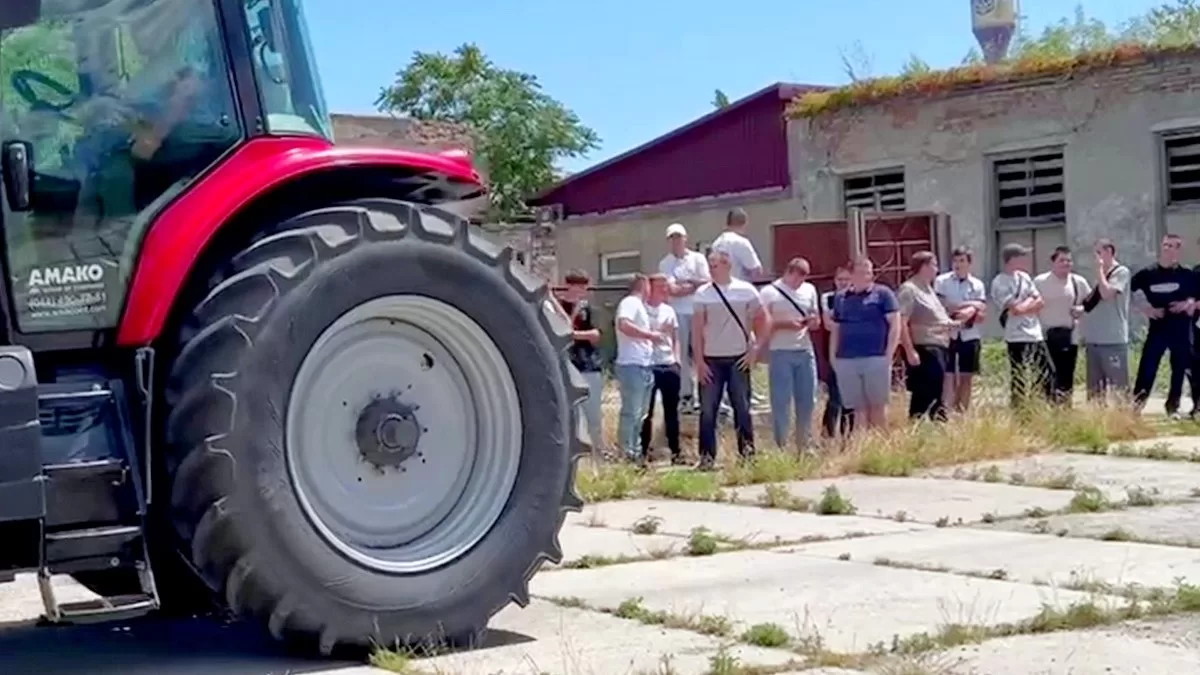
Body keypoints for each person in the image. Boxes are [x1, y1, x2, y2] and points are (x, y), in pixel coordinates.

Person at [692, 250, 767, 469]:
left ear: (727, 265)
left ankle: (747, 455)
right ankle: (706, 458)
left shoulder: (746, 291)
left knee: (742, 407)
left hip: (738, 357)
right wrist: (699, 361)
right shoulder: (703, 293)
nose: (711, 268)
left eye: (715, 264)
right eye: (710, 264)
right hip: (711, 358)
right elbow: (697, 331)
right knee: (708, 410)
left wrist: (755, 349)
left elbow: (763, 320)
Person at [757, 258, 821, 451]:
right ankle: (781, 445)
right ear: (789, 273)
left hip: (804, 349)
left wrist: (811, 321)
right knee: (781, 401)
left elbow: (816, 318)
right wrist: (784, 324)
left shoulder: (809, 290)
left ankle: (805, 444)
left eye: (803, 279)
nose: (799, 283)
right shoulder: (769, 292)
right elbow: (761, 323)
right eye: (797, 278)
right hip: (780, 351)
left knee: (808, 400)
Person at [829, 256, 900, 430]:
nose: (867, 276)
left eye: (869, 272)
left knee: (877, 406)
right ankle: (863, 448)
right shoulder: (841, 298)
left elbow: (895, 324)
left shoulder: (883, 294)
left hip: (876, 357)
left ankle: (881, 446)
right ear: (851, 274)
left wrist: (889, 354)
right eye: (862, 272)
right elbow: (836, 328)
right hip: (847, 358)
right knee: (857, 408)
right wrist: (833, 356)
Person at [1130, 233, 1197, 417]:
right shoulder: (1147, 274)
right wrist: (1145, 309)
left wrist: (1188, 304)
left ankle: (1173, 407)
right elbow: (1129, 291)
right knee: (1148, 366)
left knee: (1179, 367)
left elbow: (1196, 298)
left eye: (1173, 246)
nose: (1168, 249)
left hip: (1181, 328)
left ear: (1179, 250)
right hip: (1158, 328)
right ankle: (1136, 406)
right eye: (1166, 245)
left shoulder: (1188, 275)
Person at [991, 243, 1053, 408]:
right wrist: (1026, 306)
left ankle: (1043, 403)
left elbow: (1040, 301)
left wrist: (1024, 307)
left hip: (1035, 332)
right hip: (1016, 335)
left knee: (1046, 370)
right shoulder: (999, 282)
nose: (1026, 259)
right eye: (1022, 256)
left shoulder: (1025, 277)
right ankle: (1019, 408)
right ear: (1012, 259)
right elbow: (1014, 308)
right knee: (1019, 374)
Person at [614, 274, 667, 464]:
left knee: (641, 413)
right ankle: (626, 453)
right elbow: (624, 324)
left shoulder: (640, 307)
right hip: (631, 365)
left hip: (644, 365)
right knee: (632, 412)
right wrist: (650, 335)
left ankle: (634, 452)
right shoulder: (630, 302)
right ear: (643, 285)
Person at [898, 252, 957, 421]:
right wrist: (909, 351)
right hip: (924, 347)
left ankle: (936, 426)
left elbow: (936, 317)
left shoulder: (929, 289)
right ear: (923, 267)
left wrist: (952, 323)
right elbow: (902, 321)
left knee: (937, 390)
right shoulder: (909, 289)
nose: (937, 269)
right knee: (925, 391)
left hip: (940, 344)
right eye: (934, 265)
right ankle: (921, 425)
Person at [658, 223, 711, 414]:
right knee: (682, 355)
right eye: (672, 238)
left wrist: (687, 284)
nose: (676, 241)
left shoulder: (698, 258)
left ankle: (705, 393)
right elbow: (672, 290)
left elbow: (706, 282)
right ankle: (687, 395)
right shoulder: (665, 263)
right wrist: (692, 284)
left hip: (698, 310)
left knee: (701, 353)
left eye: (679, 237)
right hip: (678, 312)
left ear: (685, 238)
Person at [1034, 247, 1090, 405]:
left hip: (1069, 337)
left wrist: (1082, 309)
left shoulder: (1078, 282)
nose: (1066, 264)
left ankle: (1065, 409)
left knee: (1066, 376)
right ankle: (1048, 408)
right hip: (1045, 336)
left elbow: (1091, 303)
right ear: (1053, 262)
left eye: (1069, 260)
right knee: (1046, 376)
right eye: (1062, 260)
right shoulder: (1040, 282)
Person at [934, 247, 987, 413]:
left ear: (969, 263)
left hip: (970, 334)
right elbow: (943, 305)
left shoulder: (977, 284)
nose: (958, 264)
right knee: (948, 375)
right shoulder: (942, 281)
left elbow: (981, 314)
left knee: (966, 375)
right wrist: (971, 305)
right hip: (948, 333)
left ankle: (962, 411)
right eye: (955, 261)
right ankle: (946, 410)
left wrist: (970, 311)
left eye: (962, 261)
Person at [639, 274, 684, 464]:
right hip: (649, 364)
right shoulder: (641, 309)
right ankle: (642, 453)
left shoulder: (669, 310)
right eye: (660, 287)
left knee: (671, 411)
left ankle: (675, 452)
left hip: (668, 363)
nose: (664, 290)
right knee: (646, 412)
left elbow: (675, 337)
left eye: (666, 287)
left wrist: (677, 360)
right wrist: (657, 332)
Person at [1081, 238, 1131, 403]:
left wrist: (1100, 271)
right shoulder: (1100, 276)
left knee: (1119, 387)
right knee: (1095, 390)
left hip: (1112, 339)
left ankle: (1123, 420)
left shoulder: (1121, 272)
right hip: (1094, 339)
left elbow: (1107, 294)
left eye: (1098, 253)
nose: (1095, 258)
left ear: (1109, 252)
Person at [559, 270, 604, 452]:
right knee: (573, 416)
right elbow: (561, 332)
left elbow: (595, 335)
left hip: (589, 365)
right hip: (568, 365)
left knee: (593, 414)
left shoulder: (589, 309)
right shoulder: (559, 307)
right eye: (579, 286)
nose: (583, 291)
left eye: (584, 287)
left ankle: (598, 454)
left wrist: (573, 335)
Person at [821, 264, 856, 437]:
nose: (842, 283)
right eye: (839, 279)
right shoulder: (828, 298)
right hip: (833, 350)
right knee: (835, 394)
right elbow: (828, 324)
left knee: (852, 395)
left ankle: (848, 433)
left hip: (853, 349)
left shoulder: (855, 298)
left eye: (846, 279)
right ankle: (828, 433)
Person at [711, 207, 764, 282]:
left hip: (720, 288)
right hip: (739, 289)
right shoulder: (741, 242)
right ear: (745, 222)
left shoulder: (716, 243)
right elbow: (756, 270)